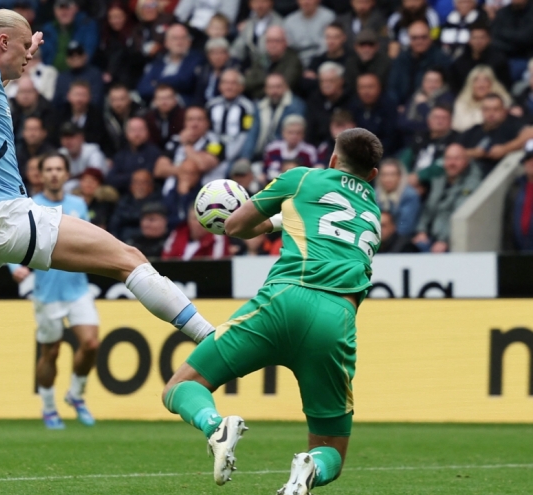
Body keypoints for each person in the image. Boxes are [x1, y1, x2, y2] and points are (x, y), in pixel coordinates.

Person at [0, 8, 217, 494]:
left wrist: (20, 54)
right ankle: (212, 338)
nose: (25, 66)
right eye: (21, 54)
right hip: (0, 215)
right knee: (128, 258)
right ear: (2, 45)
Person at [161, 128, 383, 492]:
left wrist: (274, 220)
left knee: (181, 386)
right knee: (332, 452)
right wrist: (284, 219)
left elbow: (235, 225)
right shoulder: (373, 213)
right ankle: (309, 468)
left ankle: (215, 425)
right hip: (335, 318)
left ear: (331, 159)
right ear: (372, 175)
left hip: (284, 301)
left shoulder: (302, 177)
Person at [9, 153, 100, 429]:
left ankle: (75, 394)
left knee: (91, 343)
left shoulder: (77, 205)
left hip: (78, 288)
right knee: (51, 352)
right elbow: (10, 240)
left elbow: (88, 239)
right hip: (47, 293)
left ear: (66, 173)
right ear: (40, 174)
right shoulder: (30, 206)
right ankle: (49, 408)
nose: (53, 174)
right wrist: (15, 267)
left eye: (59, 169)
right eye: (48, 169)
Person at [413, 143, 482, 252]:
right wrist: (421, 231)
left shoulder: (470, 185)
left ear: (466, 161)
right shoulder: (439, 181)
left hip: (452, 241)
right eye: (448, 159)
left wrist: (444, 240)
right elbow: (428, 209)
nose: (452, 163)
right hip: (431, 238)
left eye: (456, 159)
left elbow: (458, 214)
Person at [154, 106, 225, 197]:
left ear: (207, 123)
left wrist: (187, 145)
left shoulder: (215, 142)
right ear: (184, 123)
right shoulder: (175, 140)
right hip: (172, 193)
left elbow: (203, 165)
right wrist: (184, 172)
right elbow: (159, 170)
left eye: (199, 120)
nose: (194, 124)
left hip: (205, 194)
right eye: (190, 119)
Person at [386, 20, 451, 105]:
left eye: (423, 37)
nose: (419, 41)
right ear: (409, 39)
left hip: (432, 105)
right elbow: (392, 87)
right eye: (415, 38)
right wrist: (396, 105)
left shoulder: (442, 59)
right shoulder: (401, 59)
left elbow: (447, 89)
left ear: (430, 37)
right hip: (402, 107)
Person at [136, 23, 204, 104]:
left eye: (183, 38)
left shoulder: (197, 59)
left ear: (189, 42)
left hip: (183, 107)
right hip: (157, 107)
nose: (179, 42)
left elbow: (184, 81)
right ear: (166, 43)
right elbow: (142, 89)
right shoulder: (159, 61)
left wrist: (157, 82)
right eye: (175, 38)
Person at [206, 69, 258, 163]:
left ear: (241, 87)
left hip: (236, 154)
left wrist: (230, 155)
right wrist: (216, 151)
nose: (228, 87)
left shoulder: (247, 108)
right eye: (225, 83)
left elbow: (245, 134)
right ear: (219, 86)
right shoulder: (211, 105)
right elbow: (208, 131)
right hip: (213, 152)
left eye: (233, 83)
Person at [447, 24, 510, 95]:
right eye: (475, 38)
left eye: (482, 38)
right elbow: (455, 87)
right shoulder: (459, 63)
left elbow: (505, 86)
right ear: (469, 40)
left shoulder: (499, 61)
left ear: (489, 39)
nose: (478, 41)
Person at [106, 116, 161, 195]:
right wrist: (134, 176)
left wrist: (125, 177)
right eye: (133, 130)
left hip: (150, 197)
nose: (137, 134)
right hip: (125, 196)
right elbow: (111, 179)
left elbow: (147, 176)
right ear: (126, 133)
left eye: (140, 130)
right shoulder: (121, 155)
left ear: (147, 132)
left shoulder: (153, 152)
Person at [244, 25, 303, 99]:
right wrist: (269, 83)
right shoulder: (262, 58)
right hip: (259, 102)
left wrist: (258, 88)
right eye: (269, 41)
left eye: (277, 41)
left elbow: (283, 88)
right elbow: (248, 83)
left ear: (285, 42)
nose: (273, 45)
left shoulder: (293, 61)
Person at [255, 73, 306, 157]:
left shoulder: (296, 105)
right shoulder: (259, 106)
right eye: (271, 87)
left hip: (285, 154)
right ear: (265, 89)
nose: (274, 91)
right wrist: (245, 157)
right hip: (260, 152)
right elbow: (252, 134)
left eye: (278, 87)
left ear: (286, 87)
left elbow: (293, 134)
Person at [40, 0, 98, 72]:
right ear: (54, 10)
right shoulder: (48, 29)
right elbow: (42, 56)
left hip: (78, 73)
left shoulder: (86, 24)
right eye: (60, 8)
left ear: (76, 8)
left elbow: (87, 55)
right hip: (50, 74)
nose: (64, 12)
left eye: (67, 7)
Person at [451, 66, 511, 133]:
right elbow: (457, 125)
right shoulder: (462, 102)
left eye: (485, 80)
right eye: (476, 80)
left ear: (492, 83)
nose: (481, 85)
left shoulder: (503, 101)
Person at [349, 73, 399, 154]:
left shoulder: (389, 107)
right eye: (362, 87)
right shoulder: (353, 107)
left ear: (379, 87)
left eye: (370, 87)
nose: (366, 91)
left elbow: (391, 138)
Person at [263, 115, 318, 179]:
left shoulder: (309, 151)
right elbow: (264, 171)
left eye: (298, 133)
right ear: (283, 133)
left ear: (303, 134)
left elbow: (313, 175)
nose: (294, 136)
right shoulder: (272, 149)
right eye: (290, 132)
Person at [283, 0, 336, 67]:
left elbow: (328, 44)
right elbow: (289, 48)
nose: (306, 2)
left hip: (323, 60)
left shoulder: (329, 17)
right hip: (297, 63)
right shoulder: (289, 21)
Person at [375, 159, 420, 236]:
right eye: (384, 175)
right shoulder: (375, 194)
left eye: (392, 175)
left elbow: (405, 227)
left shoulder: (409, 195)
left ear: (400, 176)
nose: (388, 179)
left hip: (400, 238)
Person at [502, 147, 533, 251]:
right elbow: (508, 221)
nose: (530, 163)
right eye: (528, 159)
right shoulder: (516, 187)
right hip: (518, 251)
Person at [144, 84, 184, 150]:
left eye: (168, 98)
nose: (164, 102)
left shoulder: (185, 116)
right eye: (160, 98)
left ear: (175, 100)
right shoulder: (148, 118)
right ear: (154, 101)